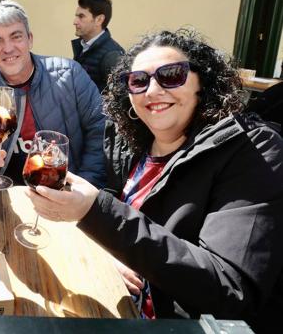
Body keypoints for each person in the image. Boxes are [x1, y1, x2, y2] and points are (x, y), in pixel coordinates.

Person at [26, 29, 283, 333]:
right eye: (139, 81)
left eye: (171, 75)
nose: (152, 91)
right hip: (117, 299)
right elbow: (120, 201)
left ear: (203, 83)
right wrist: (110, 251)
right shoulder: (133, 143)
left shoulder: (252, 151)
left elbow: (229, 290)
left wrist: (96, 212)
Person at [0, 0, 107, 188]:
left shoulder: (70, 74)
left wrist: (85, 186)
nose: (8, 48)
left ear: (30, 39)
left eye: (16, 37)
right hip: (8, 192)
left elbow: (101, 130)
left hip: (64, 188)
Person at [72, 0, 124, 92]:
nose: (75, 22)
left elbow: (120, 97)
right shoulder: (83, 47)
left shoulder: (112, 55)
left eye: (81, 16)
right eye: (76, 16)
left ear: (99, 20)